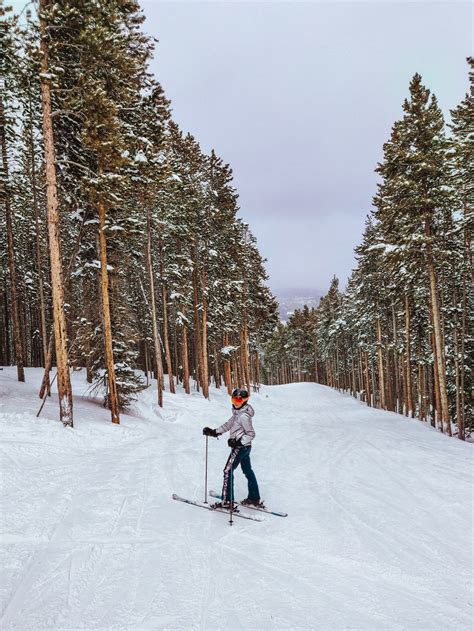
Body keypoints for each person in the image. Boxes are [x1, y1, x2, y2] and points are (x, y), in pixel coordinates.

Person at [203, 387, 263, 510]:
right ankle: (254, 497)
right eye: (234, 400)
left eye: (239, 401)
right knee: (247, 470)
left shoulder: (244, 416)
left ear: (245, 401)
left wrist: (238, 442)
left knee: (227, 470)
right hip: (245, 448)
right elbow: (228, 425)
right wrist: (214, 432)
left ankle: (227, 502)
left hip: (240, 447)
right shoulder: (237, 414)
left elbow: (251, 434)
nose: (236, 403)